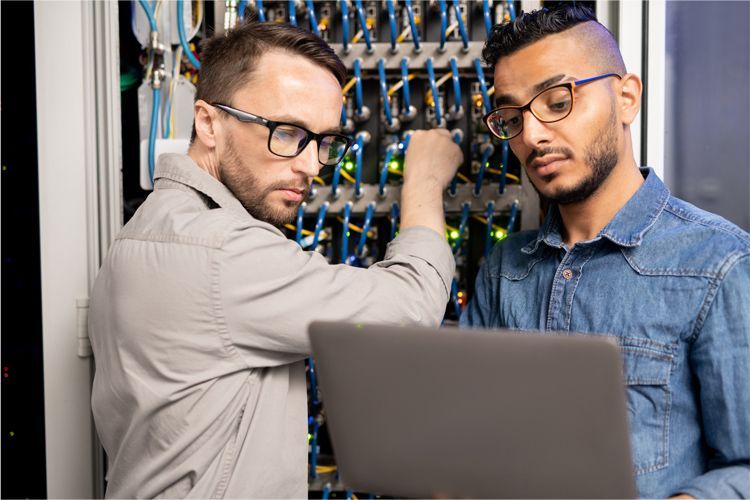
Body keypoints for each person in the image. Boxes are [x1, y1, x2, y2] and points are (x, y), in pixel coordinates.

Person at [88, 22, 462, 498]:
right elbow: (410, 307)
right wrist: (425, 180)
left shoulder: (144, 233)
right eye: (287, 133)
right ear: (207, 123)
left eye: (325, 142)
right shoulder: (221, 251)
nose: (310, 166)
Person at [461, 5, 750, 499]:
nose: (532, 136)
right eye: (511, 117)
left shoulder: (718, 263)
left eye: (557, 101)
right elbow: (470, 443)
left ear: (626, 98)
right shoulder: (503, 271)